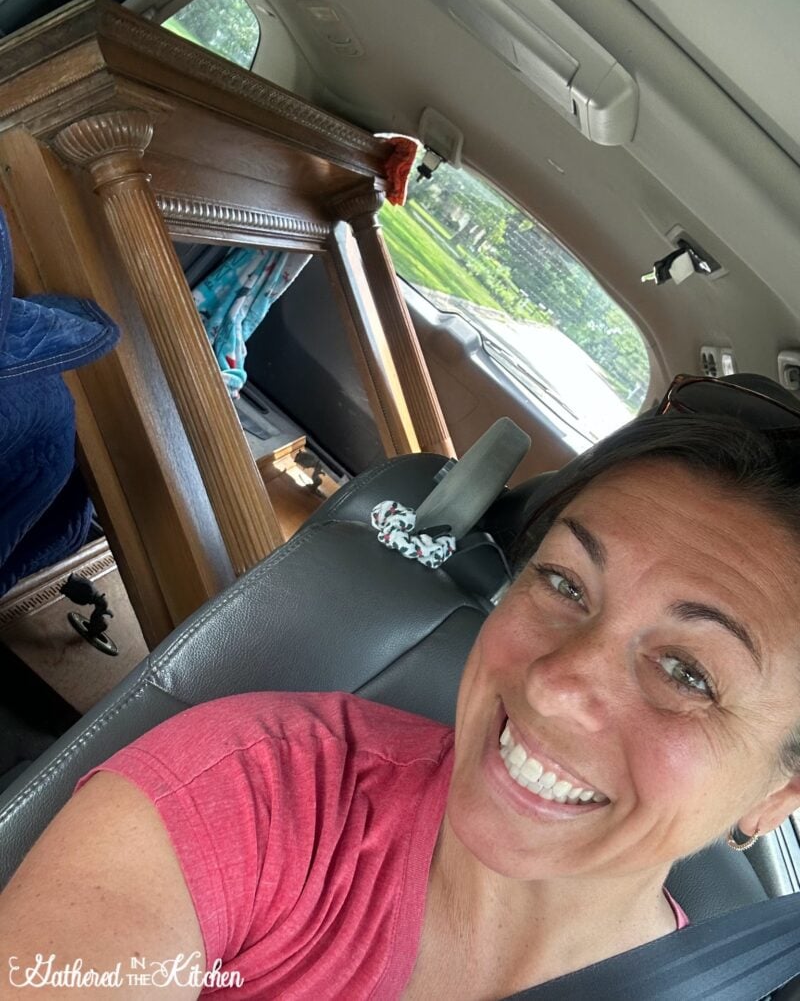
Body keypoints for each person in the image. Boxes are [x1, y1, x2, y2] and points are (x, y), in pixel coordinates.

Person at [3, 374, 800, 1000]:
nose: (558, 685)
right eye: (563, 582)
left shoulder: (730, 976)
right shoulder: (262, 792)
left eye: (688, 672)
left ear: (778, 794)